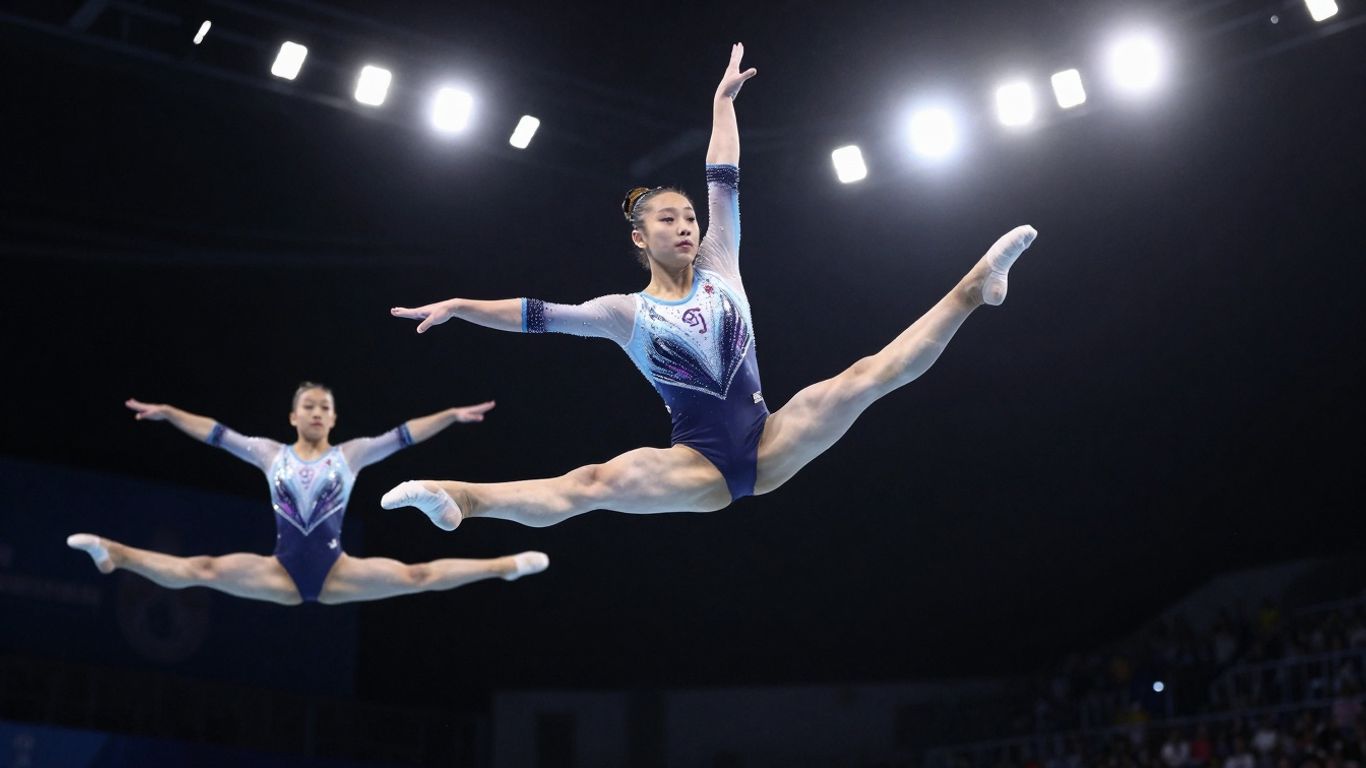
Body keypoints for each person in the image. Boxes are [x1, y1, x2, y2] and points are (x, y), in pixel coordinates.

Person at [383, 43, 1037, 531]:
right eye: (669, 218)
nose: (687, 225)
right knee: (591, 482)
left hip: (769, 438)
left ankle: (975, 287)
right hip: (697, 466)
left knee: (865, 376)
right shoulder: (624, 313)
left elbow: (723, 175)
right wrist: (462, 306)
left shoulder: (723, 259)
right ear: (641, 237)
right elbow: (537, 316)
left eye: (689, 216)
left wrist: (722, 105)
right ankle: (463, 499)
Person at [67, 383, 547, 605]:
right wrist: (170, 411)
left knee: (417, 575)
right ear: (293, 417)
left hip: (338, 572)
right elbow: (216, 433)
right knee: (203, 570)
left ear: (334, 420)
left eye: (325, 407)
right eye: (308, 406)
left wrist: (449, 415)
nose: (317, 412)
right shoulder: (269, 453)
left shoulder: (351, 455)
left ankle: (503, 568)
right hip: (278, 571)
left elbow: (403, 435)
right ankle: (114, 554)